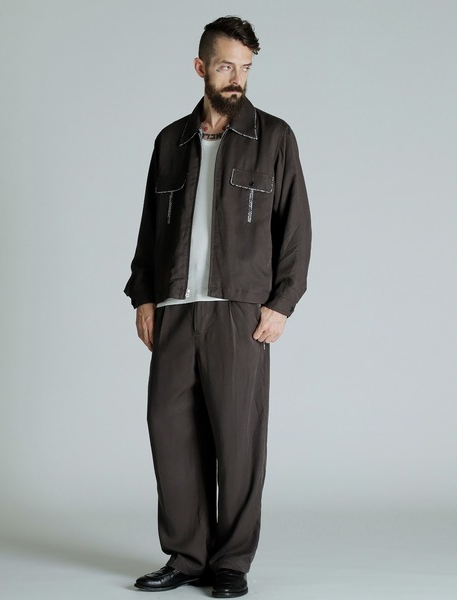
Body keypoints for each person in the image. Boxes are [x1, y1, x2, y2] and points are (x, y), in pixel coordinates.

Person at [124, 16, 311, 598]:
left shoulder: (274, 137)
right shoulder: (170, 142)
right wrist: (145, 295)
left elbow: (296, 229)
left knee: (238, 439)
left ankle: (230, 563)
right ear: (201, 67)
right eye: (227, 65)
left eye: (246, 67)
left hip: (239, 310)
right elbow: (150, 228)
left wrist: (282, 303)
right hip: (176, 308)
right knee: (170, 431)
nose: (237, 78)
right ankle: (186, 556)